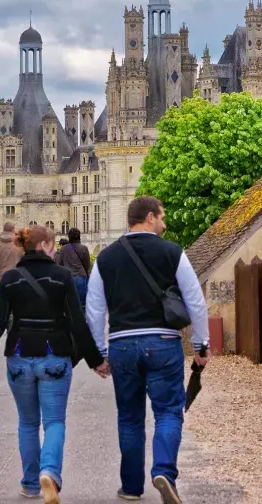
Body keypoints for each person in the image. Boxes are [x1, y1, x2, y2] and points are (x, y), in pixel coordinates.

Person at [0, 225, 106, 504]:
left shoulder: (10, 279)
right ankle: (50, 472)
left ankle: (31, 483)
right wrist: (96, 361)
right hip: (54, 356)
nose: (55, 251)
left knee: (28, 423)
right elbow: (78, 323)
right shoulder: (62, 277)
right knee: (54, 421)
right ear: (43, 245)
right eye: (53, 246)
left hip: (19, 357)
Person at [86, 196, 210, 504]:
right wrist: (201, 344)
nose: (165, 224)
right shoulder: (172, 252)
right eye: (162, 217)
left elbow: (94, 309)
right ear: (150, 217)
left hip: (123, 343)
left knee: (129, 417)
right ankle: (164, 472)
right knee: (168, 411)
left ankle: (130, 487)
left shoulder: (107, 257)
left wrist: (99, 352)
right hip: (164, 342)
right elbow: (195, 301)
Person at [0, 222, 22, 318]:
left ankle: (7, 321)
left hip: (2, 276)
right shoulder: (19, 243)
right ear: (13, 229)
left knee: (4, 300)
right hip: (17, 275)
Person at [57, 228, 90, 311]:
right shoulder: (84, 248)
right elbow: (87, 265)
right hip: (81, 278)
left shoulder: (63, 249)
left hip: (68, 278)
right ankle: (82, 321)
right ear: (79, 236)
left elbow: (59, 264)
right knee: (82, 305)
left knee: (69, 305)